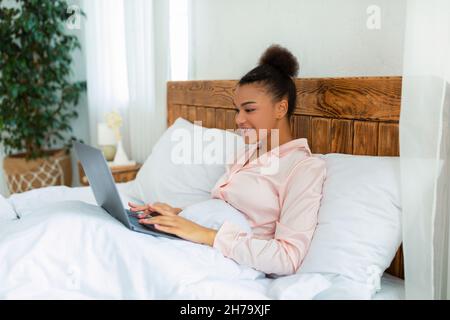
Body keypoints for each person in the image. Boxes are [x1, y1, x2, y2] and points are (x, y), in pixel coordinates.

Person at [128, 44, 327, 276]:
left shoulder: (303, 168)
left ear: (281, 108)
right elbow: (228, 211)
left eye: (249, 110)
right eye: (237, 110)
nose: (239, 119)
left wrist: (205, 234)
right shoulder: (246, 154)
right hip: (199, 241)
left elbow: (287, 258)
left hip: (227, 259)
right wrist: (178, 214)